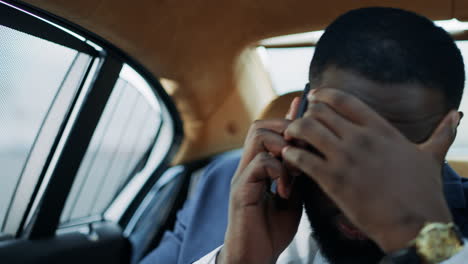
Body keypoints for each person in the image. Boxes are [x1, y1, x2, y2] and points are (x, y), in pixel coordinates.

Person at [141, 7, 468, 264]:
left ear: (447, 133)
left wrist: (432, 245)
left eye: (392, 153)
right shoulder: (222, 186)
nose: (355, 195)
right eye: (338, 136)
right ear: (299, 111)